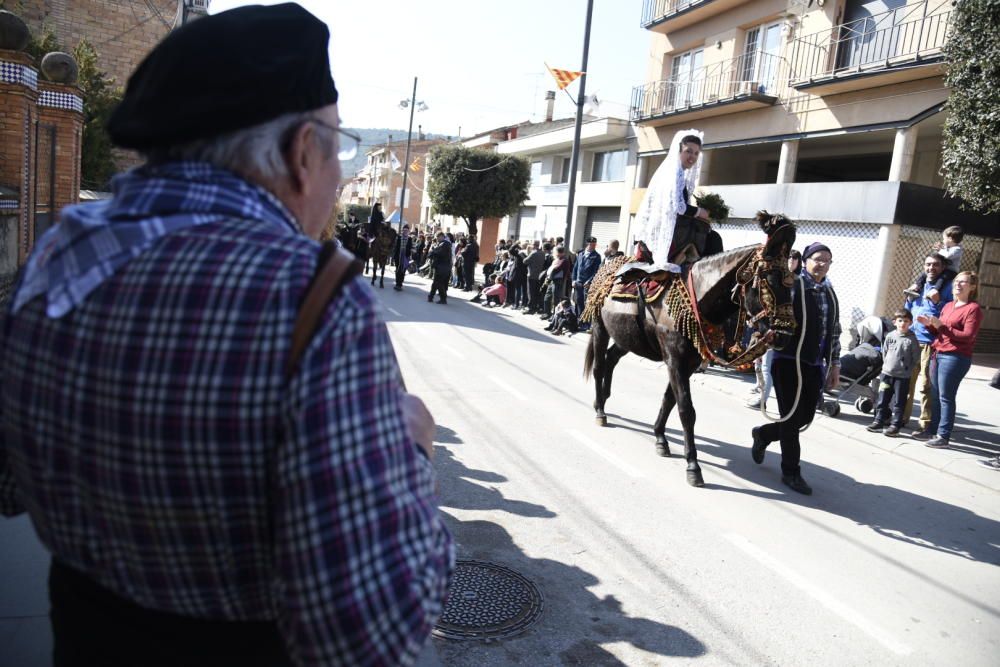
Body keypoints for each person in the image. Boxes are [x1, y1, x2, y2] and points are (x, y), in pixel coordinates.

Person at [0, 5, 453, 667]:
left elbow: (9, 486)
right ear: (303, 153)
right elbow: (369, 631)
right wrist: (411, 453)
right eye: (338, 146)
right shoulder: (317, 298)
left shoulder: (50, 259)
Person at [751, 242, 841, 495]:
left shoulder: (830, 293)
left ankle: (764, 434)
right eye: (818, 258)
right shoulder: (793, 286)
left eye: (827, 259)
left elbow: (834, 331)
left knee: (805, 418)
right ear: (806, 261)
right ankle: (791, 471)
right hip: (787, 360)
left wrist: (834, 364)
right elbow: (770, 312)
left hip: (814, 363)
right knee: (791, 419)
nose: (822, 263)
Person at [916, 271, 984, 449]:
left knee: (946, 397)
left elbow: (968, 336)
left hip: (955, 357)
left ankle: (943, 436)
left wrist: (942, 327)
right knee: (935, 396)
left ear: (972, 287)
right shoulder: (948, 306)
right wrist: (930, 326)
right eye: (956, 281)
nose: (958, 285)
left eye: (963, 282)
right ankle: (931, 430)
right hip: (938, 353)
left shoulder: (973, 309)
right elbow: (940, 332)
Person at [631, 129, 710, 268]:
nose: (693, 156)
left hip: (678, 228)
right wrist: (700, 212)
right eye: (689, 151)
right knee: (711, 241)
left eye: (696, 153)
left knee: (711, 237)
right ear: (679, 151)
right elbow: (678, 207)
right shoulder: (673, 173)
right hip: (667, 233)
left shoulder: (678, 173)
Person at [904, 254, 953, 438]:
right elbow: (907, 311)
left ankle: (925, 425)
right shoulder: (918, 285)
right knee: (906, 382)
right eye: (928, 264)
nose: (931, 268)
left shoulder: (947, 288)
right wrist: (908, 299)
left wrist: (937, 301)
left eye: (935, 265)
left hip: (930, 344)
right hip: (911, 341)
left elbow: (949, 314)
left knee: (926, 386)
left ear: (942, 267)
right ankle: (901, 418)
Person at [747, 250, 803, 409]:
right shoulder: (777, 279)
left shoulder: (797, 283)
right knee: (758, 360)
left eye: (795, 258)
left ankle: (762, 399)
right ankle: (760, 388)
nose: (791, 261)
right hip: (766, 326)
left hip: (780, 330)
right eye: (789, 258)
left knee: (766, 365)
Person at [866, 309, 920, 436]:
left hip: (902, 377)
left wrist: (906, 369)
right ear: (895, 322)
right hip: (886, 375)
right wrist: (887, 366)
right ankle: (878, 421)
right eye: (900, 321)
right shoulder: (890, 336)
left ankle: (895, 425)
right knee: (882, 399)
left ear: (910, 323)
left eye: (906, 321)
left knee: (899, 402)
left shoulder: (912, 339)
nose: (903, 324)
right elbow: (885, 352)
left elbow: (915, 357)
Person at [905, 226, 963, 300]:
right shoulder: (947, 248)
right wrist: (940, 249)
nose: (943, 240)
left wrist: (940, 250)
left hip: (950, 271)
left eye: (944, 239)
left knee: (942, 279)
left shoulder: (957, 249)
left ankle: (935, 290)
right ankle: (916, 286)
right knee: (924, 274)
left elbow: (947, 255)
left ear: (950, 239)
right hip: (943, 269)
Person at [572, 236, 601, 327]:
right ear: (588, 244)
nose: (593, 246)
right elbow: (575, 268)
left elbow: (596, 271)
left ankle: (585, 322)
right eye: (592, 244)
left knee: (585, 303)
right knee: (577, 301)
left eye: (594, 244)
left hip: (587, 284)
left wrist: (589, 281)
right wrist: (573, 280)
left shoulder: (596, 256)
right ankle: (578, 320)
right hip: (578, 282)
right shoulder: (580, 254)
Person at [541, 245, 573, 320]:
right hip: (551, 280)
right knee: (547, 297)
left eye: (555, 252)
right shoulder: (556, 259)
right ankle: (547, 313)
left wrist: (553, 269)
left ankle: (555, 315)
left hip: (558, 281)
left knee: (556, 299)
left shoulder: (564, 260)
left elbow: (557, 269)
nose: (554, 253)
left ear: (559, 252)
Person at [428, 231, 452, 304]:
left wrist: (432, 252)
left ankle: (443, 298)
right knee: (435, 283)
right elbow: (435, 251)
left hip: (443, 267)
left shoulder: (445, 244)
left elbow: (438, 252)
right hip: (440, 266)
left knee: (439, 283)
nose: (437, 239)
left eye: (438, 237)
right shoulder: (441, 244)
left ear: (441, 236)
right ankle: (431, 297)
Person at [524, 240, 546, 314]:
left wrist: (528, 253)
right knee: (536, 292)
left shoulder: (533, 253)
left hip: (531, 275)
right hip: (539, 275)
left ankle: (531, 308)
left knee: (530, 292)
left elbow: (525, 261)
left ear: (534, 245)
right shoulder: (543, 253)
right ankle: (536, 306)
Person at [392, 223, 414, 291]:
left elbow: (411, 247)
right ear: (402, 231)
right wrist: (393, 256)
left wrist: (412, 251)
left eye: (406, 230)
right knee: (397, 270)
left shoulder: (410, 239)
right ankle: (397, 284)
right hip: (398, 256)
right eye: (404, 230)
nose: (405, 232)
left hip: (405, 257)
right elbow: (395, 247)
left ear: (408, 231)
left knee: (403, 271)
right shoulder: (398, 238)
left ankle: (400, 284)